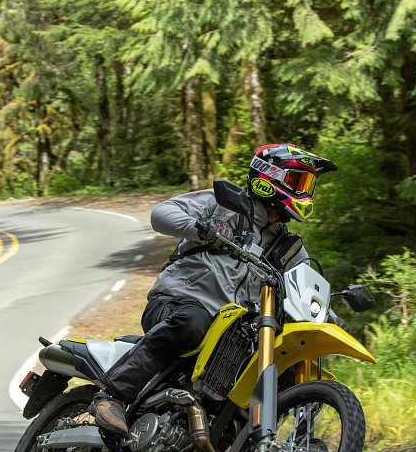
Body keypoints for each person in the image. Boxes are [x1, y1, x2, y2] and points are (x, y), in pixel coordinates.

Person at [91, 143, 338, 436]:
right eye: (298, 181)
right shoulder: (222, 204)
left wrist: (330, 316)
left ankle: (261, 445)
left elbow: (307, 285)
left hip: (233, 331)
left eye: (308, 184)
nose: (305, 192)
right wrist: (200, 229)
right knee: (193, 322)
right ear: (269, 178)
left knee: (283, 361)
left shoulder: (289, 249)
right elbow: (162, 213)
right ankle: (113, 397)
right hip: (176, 304)